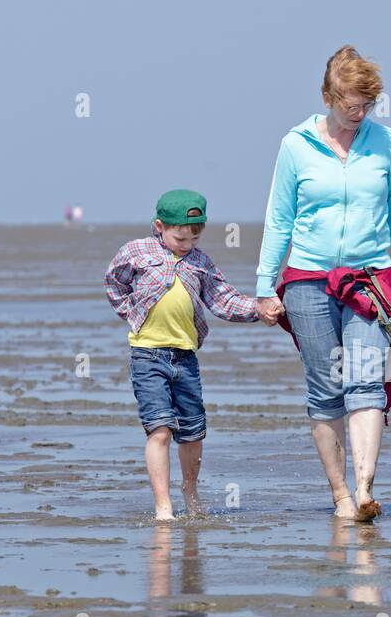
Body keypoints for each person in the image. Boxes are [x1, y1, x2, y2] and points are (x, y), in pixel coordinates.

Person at [255, 46, 391, 521]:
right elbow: (279, 218)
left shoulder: (387, 142)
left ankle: (366, 489)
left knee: (366, 383)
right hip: (308, 279)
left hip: (370, 278)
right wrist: (265, 285)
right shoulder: (295, 145)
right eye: (352, 105)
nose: (360, 114)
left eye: (367, 105)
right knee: (326, 387)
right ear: (328, 96)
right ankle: (341, 497)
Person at [105, 189, 282, 520]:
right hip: (147, 355)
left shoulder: (200, 263)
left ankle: (190, 490)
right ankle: (163, 505)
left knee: (192, 431)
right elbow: (114, 281)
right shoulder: (137, 252)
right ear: (160, 226)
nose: (187, 243)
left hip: (185, 358)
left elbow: (223, 299)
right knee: (158, 429)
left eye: (194, 237)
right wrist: (131, 311)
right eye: (180, 236)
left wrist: (258, 309)